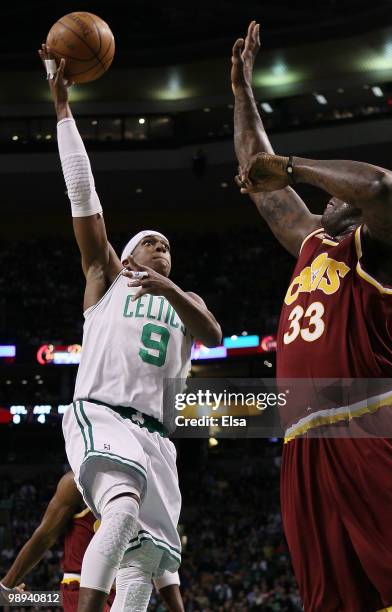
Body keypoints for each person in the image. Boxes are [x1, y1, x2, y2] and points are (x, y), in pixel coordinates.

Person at [231, 21, 392, 612]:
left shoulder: (389, 247)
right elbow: (264, 185)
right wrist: (242, 97)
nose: (331, 198)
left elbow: (385, 189)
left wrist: (294, 165)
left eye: (341, 193)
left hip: (376, 420)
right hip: (304, 441)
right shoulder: (313, 243)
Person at [38, 44, 222, 612]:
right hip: (103, 415)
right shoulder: (106, 277)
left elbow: (213, 334)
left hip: (158, 440)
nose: (162, 246)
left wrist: (171, 290)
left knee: (146, 564)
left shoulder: (182, 300)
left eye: (168, 245)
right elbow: (83, 196)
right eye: (150, 242)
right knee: (117, 511)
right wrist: (62, 106)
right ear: (128, 253)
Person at [0, 472, 184, 611]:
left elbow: (157, 550)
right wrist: (5, 587)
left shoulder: (149, 483)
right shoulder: (77, 482)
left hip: (123, 586)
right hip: (81, 588)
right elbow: (44, 537)